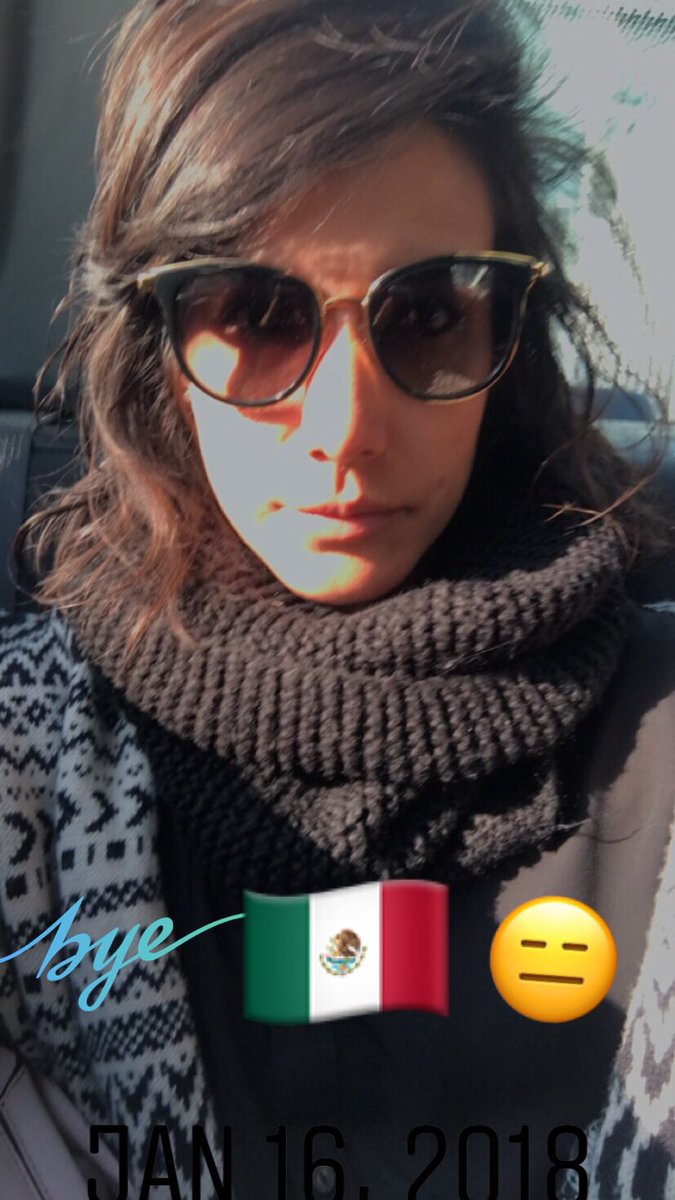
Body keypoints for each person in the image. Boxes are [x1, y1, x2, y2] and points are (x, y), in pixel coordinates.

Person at [1, 1, 674, 1197]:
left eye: (428, 314)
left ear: (513, 330)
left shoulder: (659, 742)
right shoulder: (31, 759)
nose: (347, 431)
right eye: (256, 314)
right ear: (155, 342)